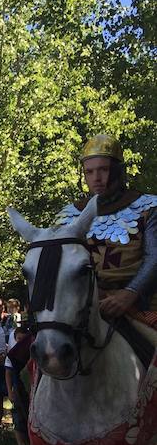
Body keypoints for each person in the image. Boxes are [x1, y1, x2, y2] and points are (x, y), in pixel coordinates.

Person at [55, 134, 157, 323]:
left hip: (139, 304)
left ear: (118, 171)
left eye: (103, 170)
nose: (96, 178)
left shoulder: (149, 207)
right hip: (81, 306)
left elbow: (154, 257)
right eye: (89, 172)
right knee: (30, 351)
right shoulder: (67, 215)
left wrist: (130, 293)